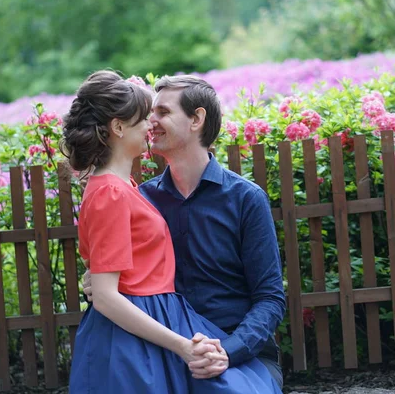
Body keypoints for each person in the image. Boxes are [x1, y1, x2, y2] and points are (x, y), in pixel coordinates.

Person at [62, 70, 281, 393]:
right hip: (163, 345)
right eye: (148, 114)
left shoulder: (245, 199)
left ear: (196, 120)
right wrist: (96, 280)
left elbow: (270, 299)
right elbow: (115, 279)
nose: (150, 122)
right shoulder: (142, 198)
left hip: (234, 350)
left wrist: (227, 352)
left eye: (162, 112)